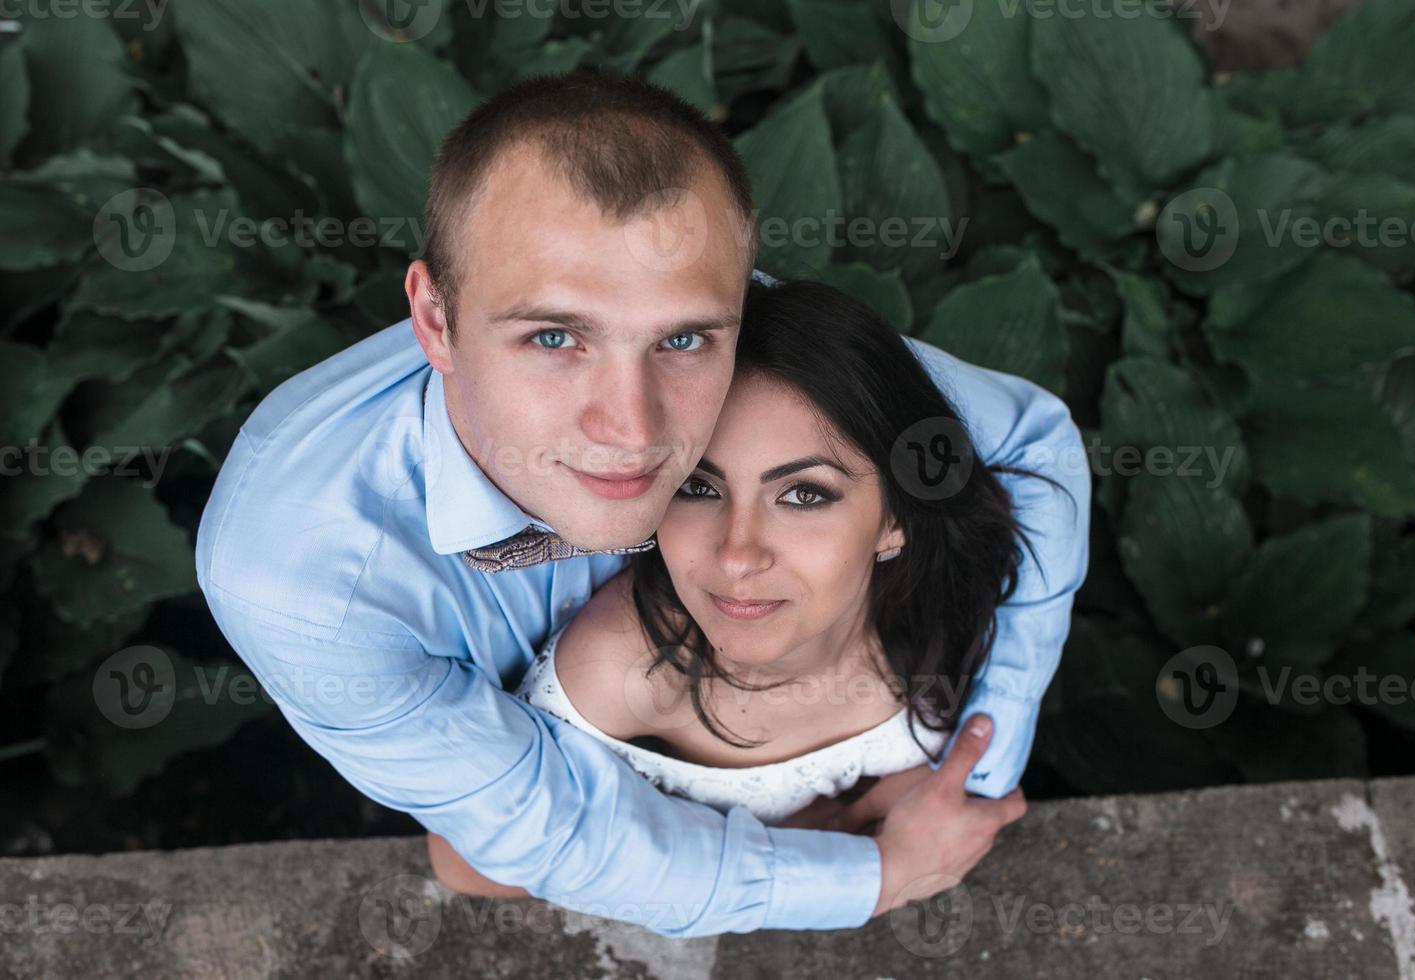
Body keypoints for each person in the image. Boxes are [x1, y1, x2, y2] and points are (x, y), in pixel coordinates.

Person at [195, 69, 1090, 937]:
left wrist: (970, 764)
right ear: (434, 320)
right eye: (554, 337)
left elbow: (1025, 444)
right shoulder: (298, 576)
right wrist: (875, 875)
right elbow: (545, 831)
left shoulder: (756, 338)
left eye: (685, 340)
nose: (631, 428)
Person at [422, 277, 1066, 900]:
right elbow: (468, 863)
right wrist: (801, 854)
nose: (737, 556)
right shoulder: (622, 672)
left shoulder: (949, 607)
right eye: (698, 488)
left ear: (896, 520)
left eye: (804, 495)